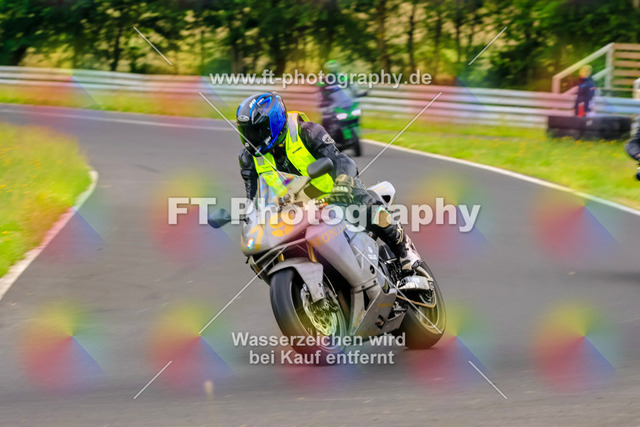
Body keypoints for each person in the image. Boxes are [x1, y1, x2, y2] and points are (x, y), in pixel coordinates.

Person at [236, 92, 424, 271]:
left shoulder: (307, 131)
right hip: (296, 210)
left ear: (274, 122)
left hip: (336, 194)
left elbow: (342, 160)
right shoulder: (248, 158)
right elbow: (254, 198)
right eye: (246, 132)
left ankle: (403, 248)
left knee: (364, 206)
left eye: (256, 131)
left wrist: (343, 183)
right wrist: (251, 219)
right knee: (262, 252)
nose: (251, 138)